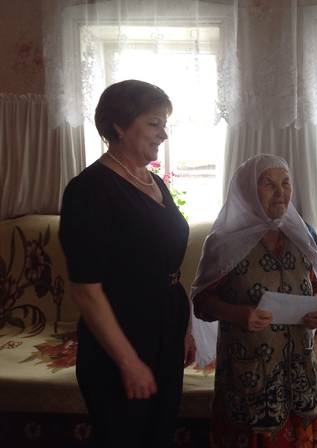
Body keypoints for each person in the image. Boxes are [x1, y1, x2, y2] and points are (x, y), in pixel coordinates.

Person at [59, 80, 195, 448]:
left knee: (160, 434)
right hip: (123, 337)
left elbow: (167, 263)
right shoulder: (89, 190)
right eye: (154, 123)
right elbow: (86, 291)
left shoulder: (154, 183)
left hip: (165, 329)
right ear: (119, 126)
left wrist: (183, 329)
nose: (163, 134)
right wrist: (128, 362)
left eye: (164, 124)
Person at [191, 154, 317, 447]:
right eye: (269, 184)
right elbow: (201, 302)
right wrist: (237, 313)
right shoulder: (224, 243)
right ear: (247, 191)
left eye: (286, 183)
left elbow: (316, 288)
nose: (281, 192)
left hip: (300, 369)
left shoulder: (300, 235)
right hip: (249, 374)